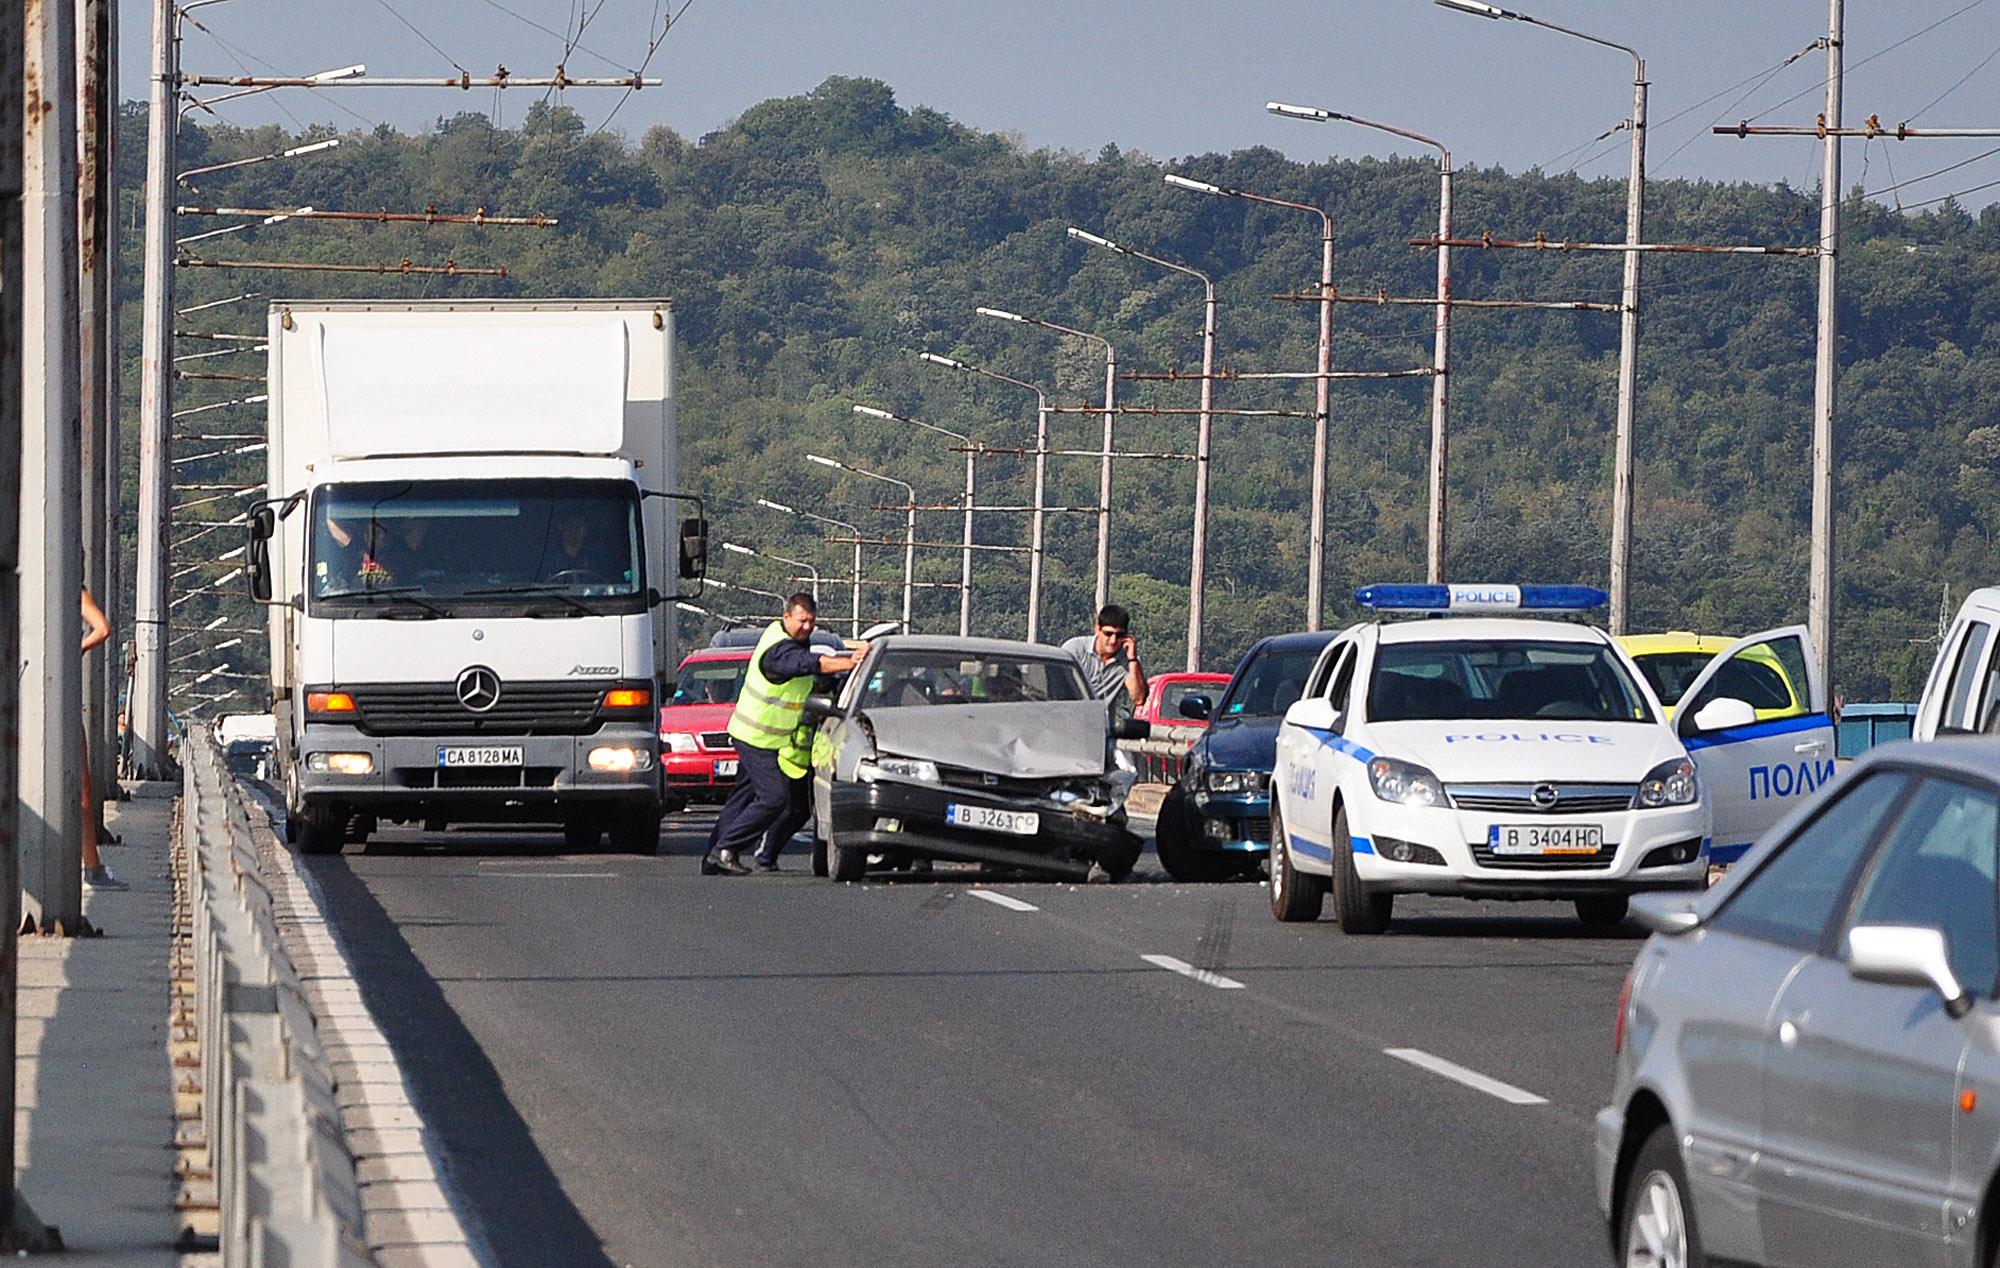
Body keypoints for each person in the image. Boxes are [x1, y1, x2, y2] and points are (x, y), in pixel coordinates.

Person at [701, 593, 868, 876]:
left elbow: (814, 668)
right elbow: (810, 664)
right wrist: (850, 661)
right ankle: (725, 850)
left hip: (764, 737)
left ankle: (713, 856)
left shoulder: (788, 640)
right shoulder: (780, 651)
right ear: (786, 616)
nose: (807, 627)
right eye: (802, 621)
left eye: (812, 622)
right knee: (774, 798)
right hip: (756, 737)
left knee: (744, 799)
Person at [80, 588, 125, 892]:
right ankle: (92, 868)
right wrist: (77, 649)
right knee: (81, 790)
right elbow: (103, 629)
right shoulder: (73, 591)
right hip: (59, 700)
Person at [1062, 603, 1149, 719]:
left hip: (1100, 729)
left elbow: (1138, 698)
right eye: (1108, 634)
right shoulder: (1074, 650)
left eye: (1119, 635)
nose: (1113, 640)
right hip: (1068, 720)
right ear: (1097, 629)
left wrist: (1132, 659)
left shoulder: (1129, 662)